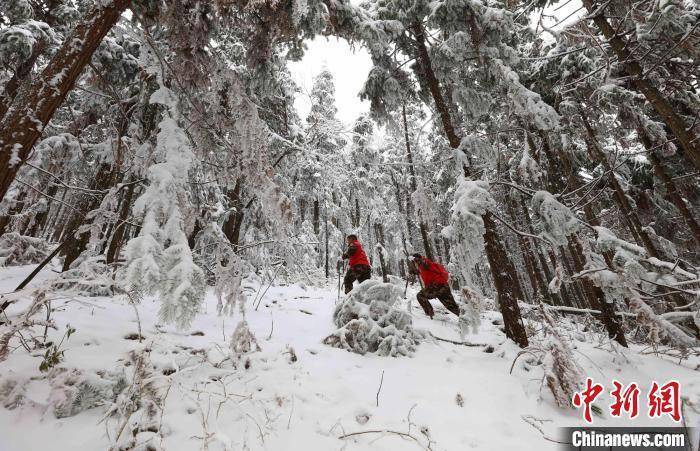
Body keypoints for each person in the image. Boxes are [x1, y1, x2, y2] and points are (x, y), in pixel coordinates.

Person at [409, 253, 460, 319]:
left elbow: (424, 263)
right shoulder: (422, 267)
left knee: (420, 296)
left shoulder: (424, 263)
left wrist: (418, 261)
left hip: (436, 286)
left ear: (417, 260)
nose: (414, 263)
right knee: (451, 306)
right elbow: (420, 271)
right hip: (444, 286)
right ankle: (466, 318)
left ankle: (429, 314)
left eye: (414, 261)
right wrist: (413, 271)